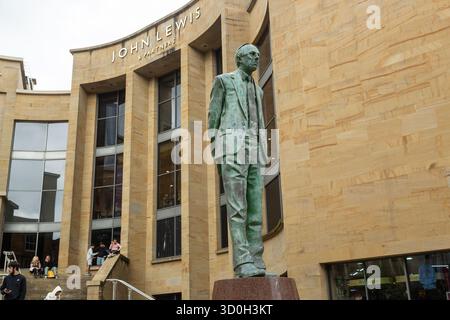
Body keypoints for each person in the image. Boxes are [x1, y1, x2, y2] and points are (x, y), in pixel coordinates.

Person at [208, 44, 270, 278]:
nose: (257, 57)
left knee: (255, 208)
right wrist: (216, 148)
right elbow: (213, 116)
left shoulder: (259, 90)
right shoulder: (223, 81)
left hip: (254, 149)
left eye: (258, 54)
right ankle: (242, 261)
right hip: (231, 146)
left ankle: (256, 259)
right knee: (237, 208)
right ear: (239, 58)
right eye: (252, 54)